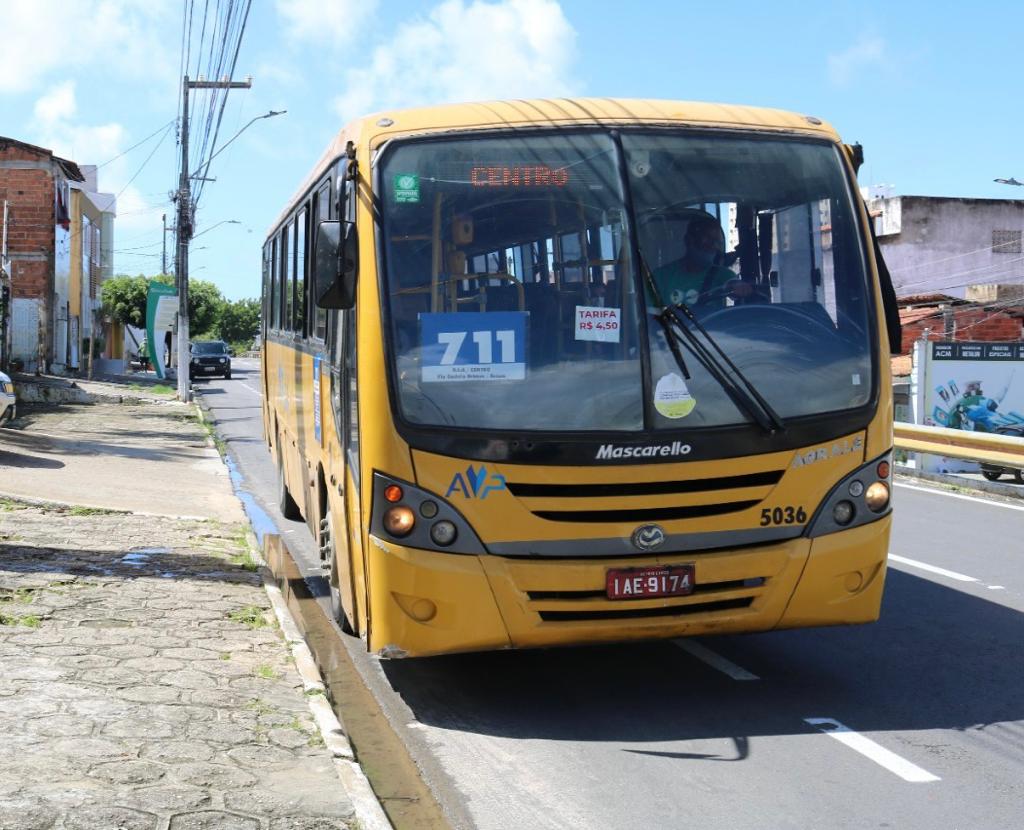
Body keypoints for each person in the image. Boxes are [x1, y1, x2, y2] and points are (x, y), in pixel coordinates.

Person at [649, 215, 751, 309]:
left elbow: (732, 283)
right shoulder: (661, 276)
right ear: (689, 240)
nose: (713, 246)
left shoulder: (723, 275)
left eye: (717, 242)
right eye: (708, 239)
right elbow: (651, 316)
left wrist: (738, 286)